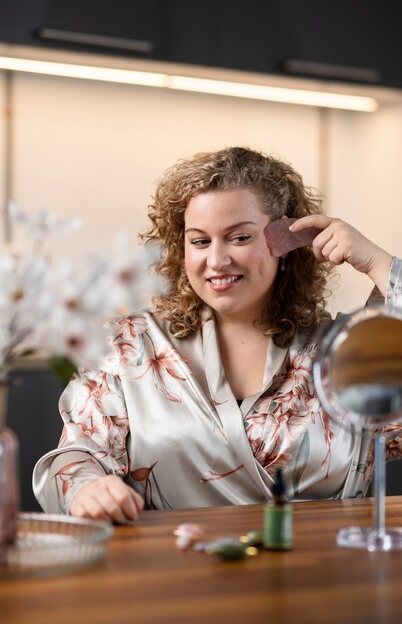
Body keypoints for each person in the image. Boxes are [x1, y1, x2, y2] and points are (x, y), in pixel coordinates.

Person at [33, 146, 402, 524]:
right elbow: (78, 454)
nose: (216, 260)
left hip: (327, 574)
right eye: (200, 241)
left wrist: (379, 263)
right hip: (177, 571)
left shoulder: (344, 351)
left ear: (286, 242)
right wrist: (87, 489)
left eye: (239, 238)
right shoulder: (129, 345)